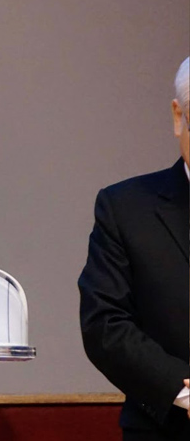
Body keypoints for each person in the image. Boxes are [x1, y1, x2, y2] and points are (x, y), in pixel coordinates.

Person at [78, 57, 190, 440]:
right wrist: (184, 391)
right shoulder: (126, 208)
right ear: (178, 117)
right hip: (169, 428)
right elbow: (105, 325)